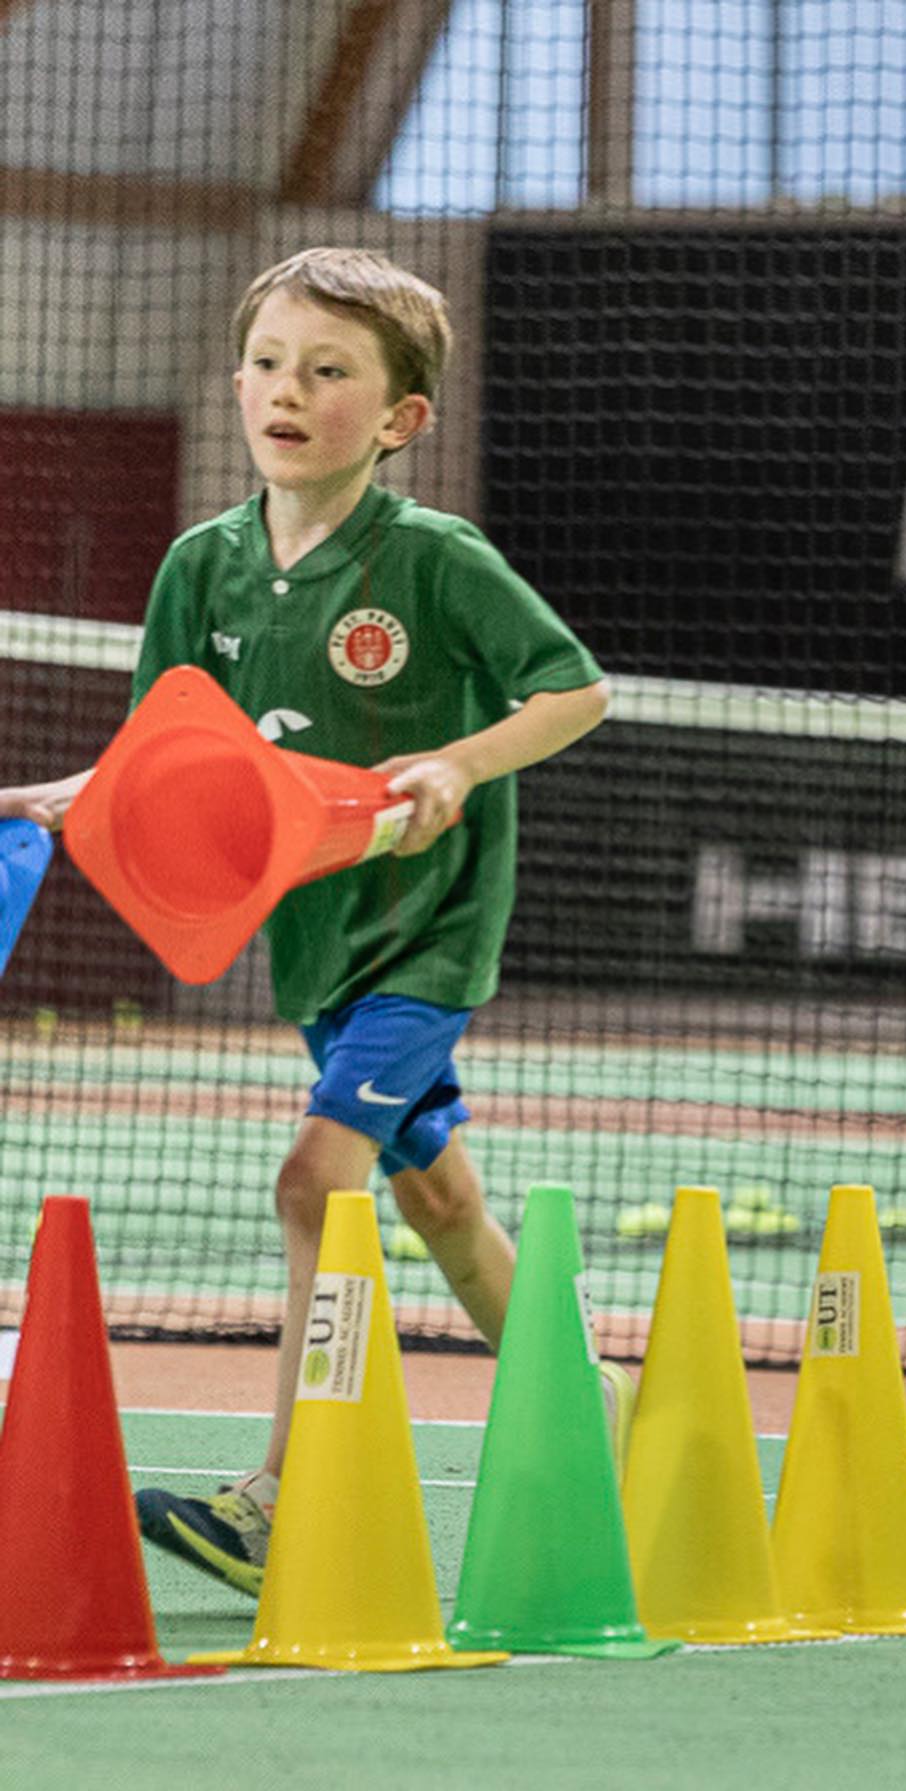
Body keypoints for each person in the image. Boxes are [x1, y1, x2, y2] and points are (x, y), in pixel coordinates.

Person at [0, 246, 617, 1595]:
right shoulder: (202, 569)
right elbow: (159, 760)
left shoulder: (435, 559)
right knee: (438, 1198)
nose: (289, 390)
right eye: (271, 363)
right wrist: (49, 799)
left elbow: (574, 692)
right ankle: (600, 1404)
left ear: (401, 417)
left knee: (313, 1178)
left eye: (330, 371)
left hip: (428, 930)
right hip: (314, 940)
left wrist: (459, 764)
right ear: (237, 383)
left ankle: (278, 1499)